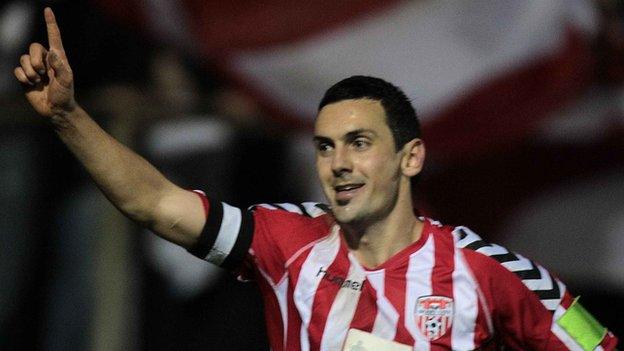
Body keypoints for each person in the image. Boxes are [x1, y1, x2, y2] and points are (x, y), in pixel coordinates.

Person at [14, 8, 619, 351]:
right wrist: (70, 117)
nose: (338, 163)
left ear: (411, 158)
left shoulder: (493, 271)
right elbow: (154, 203)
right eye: (325, 146)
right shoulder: (286, 240)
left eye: (359, 144)